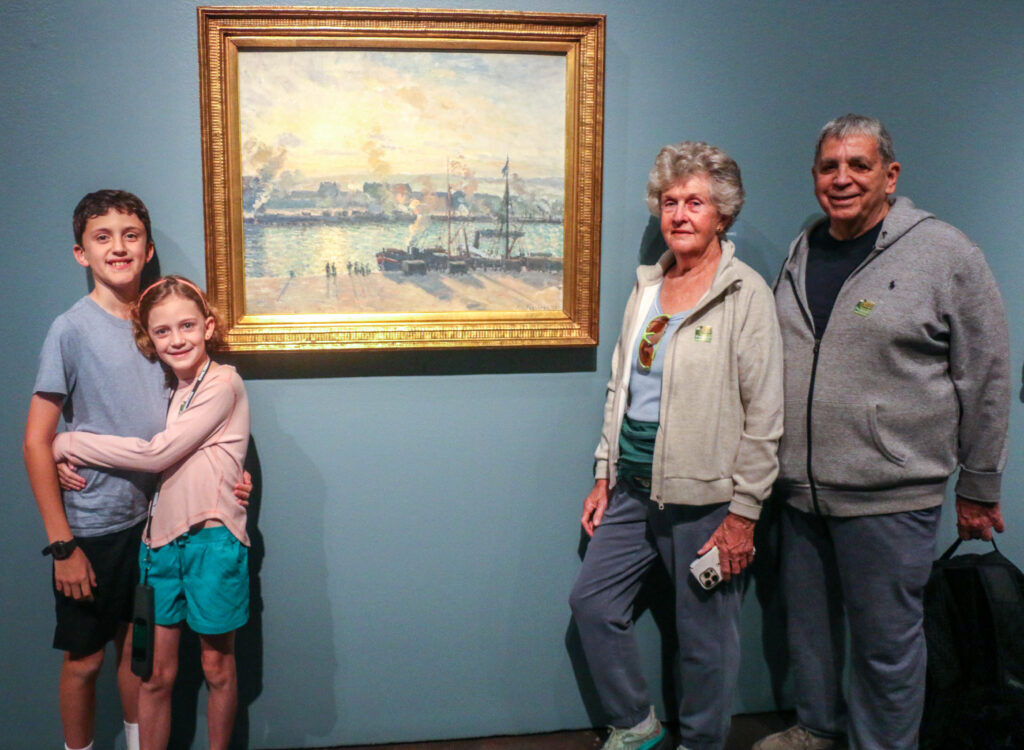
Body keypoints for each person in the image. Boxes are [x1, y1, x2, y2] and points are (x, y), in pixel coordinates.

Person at [755, 115, 1010, 750]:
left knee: (886, 645)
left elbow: (986, 375)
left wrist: (979, 484)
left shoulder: (945, 253)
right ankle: (817, 728)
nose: (841, 179)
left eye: (858, 166)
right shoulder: (803, 248)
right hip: (799, 490)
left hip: (889, 492)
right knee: (808, 631)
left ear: (890, 175)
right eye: (828, 167)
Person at [569, 142, 784, 750]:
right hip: (635, 489)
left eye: (696, 202)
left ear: (722, 214)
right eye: (670, 202)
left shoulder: (745, 295)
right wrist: (605, 473)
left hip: (706, 500)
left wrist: (744, 513)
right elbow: (622, 388)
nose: (681, 214)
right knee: (591, 603)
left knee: (706, 643)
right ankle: (637, 727)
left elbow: (766, 414)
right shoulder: (648, 288)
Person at [23, 190, 250, 750]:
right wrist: (62, 543)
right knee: (83, 660)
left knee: (138, 653)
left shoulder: (160, 327)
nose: (118, 247)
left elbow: (192, 433)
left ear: (148, 248)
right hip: (92, 530)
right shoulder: (70, 330)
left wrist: (232, 479)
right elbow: (36, 439)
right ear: (82, 253)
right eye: (103, 237)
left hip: (151, 530)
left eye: (131, 236)